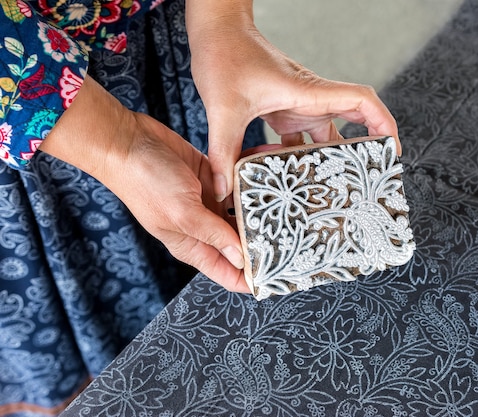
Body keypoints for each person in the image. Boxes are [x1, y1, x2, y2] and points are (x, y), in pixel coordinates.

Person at [0, 0, 399, 413]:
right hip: (34, 123)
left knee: (222, 228)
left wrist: (223, 24)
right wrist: (116, 142)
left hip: (169, 47)